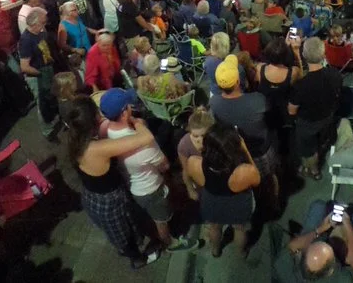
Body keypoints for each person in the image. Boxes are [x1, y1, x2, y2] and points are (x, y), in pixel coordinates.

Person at [64, 98, 162, 269]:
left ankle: (135, 246)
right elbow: (146, 137)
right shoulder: (96, 148)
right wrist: (135, 121)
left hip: (92, 196)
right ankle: (138, 260)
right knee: (123, 235)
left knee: (122, 229)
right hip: (109, 202)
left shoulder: (75, 138)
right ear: (93, 119)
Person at [98, 89, 196, 252]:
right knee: (161, 219)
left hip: (131, 183)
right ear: (124, 113)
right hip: (150, 189)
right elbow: (164, 165)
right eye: (128, 106)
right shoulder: (143, 145)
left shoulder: (105, 129)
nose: (131, 107)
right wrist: (138, 124)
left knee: (153, 213)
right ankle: (170, 243)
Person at [185, 123, 261, 258]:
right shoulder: (242, 172)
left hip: (212, 200)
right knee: (239, 228)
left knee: (214, 227)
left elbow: (194, 179)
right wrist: (244, 148)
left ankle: (215, 250)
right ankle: (241, 253)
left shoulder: (193, 162)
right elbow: (256, 177)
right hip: (238, 202)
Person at [210, 55, 280, 196]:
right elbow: (273, 122)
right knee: (269, 179)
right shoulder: (258, 100)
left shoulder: (213, 103)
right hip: (260, 151)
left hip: (236, 153)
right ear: (237, 82)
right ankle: (273, 202)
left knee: (249, 186)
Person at [289, 37, 344, 180]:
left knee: (308, 150)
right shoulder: (335, 75)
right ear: (323, 55)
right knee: (320, 141)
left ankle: (313, 169)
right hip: (327, 118)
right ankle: (315, 170)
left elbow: (291, 111)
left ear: (304, 55)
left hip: (307, 123)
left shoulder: (301, 85)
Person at [274, 200, 353, 282]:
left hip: (313, 238)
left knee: (318, 206)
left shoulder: (282, 268)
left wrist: (320, 229)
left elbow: (291, 246)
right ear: (331, 271)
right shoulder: (340, 279)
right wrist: (347, 223)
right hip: (341, 253)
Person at [19, 7, 60, 137]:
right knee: (42, 103)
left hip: (46, 70)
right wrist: (42, 74)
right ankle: (47, 130)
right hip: (37, 76)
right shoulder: (26, 40)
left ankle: (54, 120)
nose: (44, 25)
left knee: (50, 98)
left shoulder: (40, 33)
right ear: (34, 24)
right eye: (42, 23)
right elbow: (24, 66)